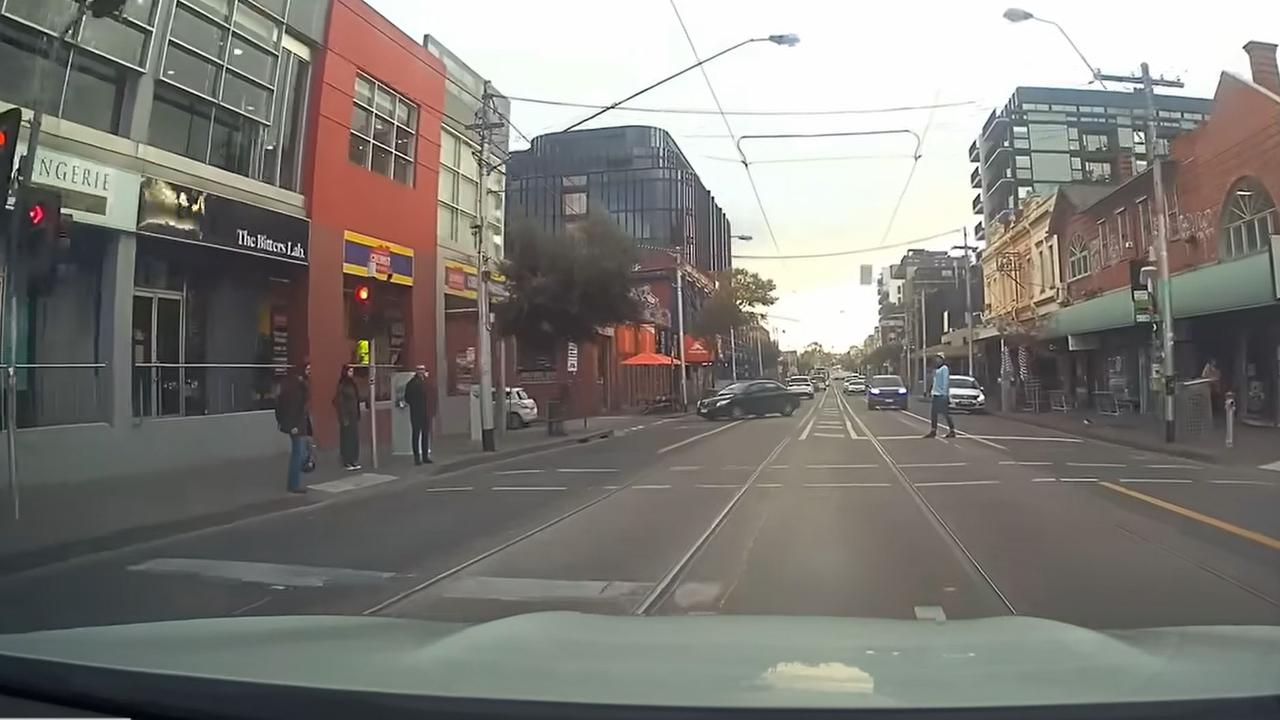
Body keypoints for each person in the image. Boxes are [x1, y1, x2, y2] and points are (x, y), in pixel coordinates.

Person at [275, 362, 312, 493]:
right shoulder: (296, 387)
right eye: (307, 369)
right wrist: (293, 426)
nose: (309, 371)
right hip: (296, 425)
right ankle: (293, 485)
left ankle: (294, 482)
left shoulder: (295, 384)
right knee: (298, 454)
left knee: (300, 452)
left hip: (298, 424)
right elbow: (293, 408)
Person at [402, 365, 434, 465]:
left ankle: (425, 456)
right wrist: (415, 404)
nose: (421, 372)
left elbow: (431, 395)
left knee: (425, 434)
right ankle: (417, 458)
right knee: (416, 434)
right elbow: (407, 398)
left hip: (425, 412)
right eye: (420, 370)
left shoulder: (427, 382)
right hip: (416, 412)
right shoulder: (412, 383)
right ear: (417, 371)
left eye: (423, 370)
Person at [333, 365, 362, 471]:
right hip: (347, 416)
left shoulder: (353, 384)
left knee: (354, 438)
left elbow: (356, 399)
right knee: (347, 439)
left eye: (352, 371)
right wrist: (343, 417)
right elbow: (339, 402)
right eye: (350, 371)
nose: (351, 373)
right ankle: (347, 461)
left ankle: (354, 459)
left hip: (353, 415)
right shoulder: (343, 385)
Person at [924, 353, 956, 439]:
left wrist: (944, 394)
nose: (936, 361)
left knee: (945, 413)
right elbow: (934, 382)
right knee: (934, 413)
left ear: (942, 359)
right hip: (936, 393)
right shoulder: (937, 369)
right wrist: (930, 391)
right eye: (935, 359)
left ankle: (952, 430)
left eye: (938, 359)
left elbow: (945, 382)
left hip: (941, 395)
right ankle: (933, 430)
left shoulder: (944, 368)